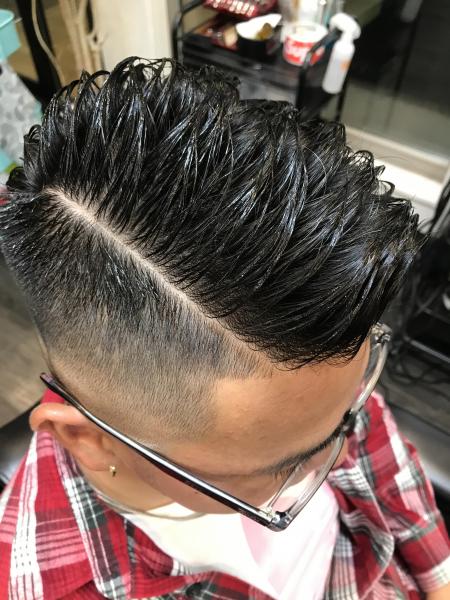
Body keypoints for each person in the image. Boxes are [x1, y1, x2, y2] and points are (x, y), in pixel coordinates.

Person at [0, 57, 449, 600]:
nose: (342, 448)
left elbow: (383, 464)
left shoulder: (312, 375)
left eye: (345, 414)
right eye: (283, 468)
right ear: (88, 440)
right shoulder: (55, 583)